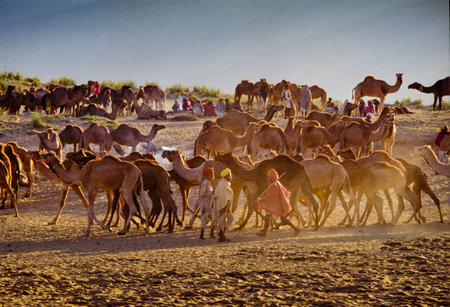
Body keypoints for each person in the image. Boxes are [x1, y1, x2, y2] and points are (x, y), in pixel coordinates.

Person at [256, 169, 300, 237]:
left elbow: (269, 196)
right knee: (282, 218)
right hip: (277, 204)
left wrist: (259, 200)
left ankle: (264, 233)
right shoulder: (277, 183)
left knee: (267, 217)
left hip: (274, 205)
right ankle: (296, 229)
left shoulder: (273, 185)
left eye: (269, 175)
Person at [212, 168, 234, 242]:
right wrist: (224, 208)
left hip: (224, 206)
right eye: (229, 175)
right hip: (223, 206)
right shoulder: (224, 184)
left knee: (230, 218)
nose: (231, 177)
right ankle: (222, 234)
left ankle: (221, 233)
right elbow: (222, 197)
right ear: (225, 176)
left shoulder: (223, 183)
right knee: (224, 219)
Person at [198, 168, 215, 239]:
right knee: (204, 219)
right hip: (205, 205)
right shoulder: (205, 183)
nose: (212, 176)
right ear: (207, 175)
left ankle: (211, 234)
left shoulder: (208, 183)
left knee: (213, 219)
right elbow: (202, 194)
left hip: (209, 204)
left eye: (212, 174)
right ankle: (202, 235)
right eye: (211, 174)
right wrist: (211, 193)